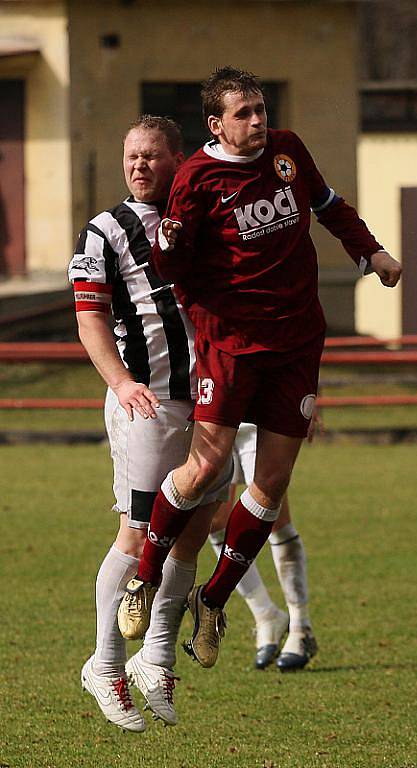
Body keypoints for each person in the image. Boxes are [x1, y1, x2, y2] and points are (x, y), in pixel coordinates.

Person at [117, 67, 402, 670]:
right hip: (231, 344)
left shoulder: (288, 151)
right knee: (205, 468)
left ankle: (214, 601)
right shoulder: (196, 178)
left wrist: (370, 250)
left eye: (260, 108)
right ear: (216, 124)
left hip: (297, 342)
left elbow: (327, 205)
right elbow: (173, 266)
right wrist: (184, 272)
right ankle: (144, 577)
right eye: (243, 112)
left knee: (271, 485)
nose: (258, 120)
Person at [69, 115, 231, 732]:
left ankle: (156, 657)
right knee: (137, 537)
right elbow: (89, 320)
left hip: (208, 400)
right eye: (130, 155)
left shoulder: (198, 222)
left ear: (177, 160)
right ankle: (106, 665)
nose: (138, 165)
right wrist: (121, 382)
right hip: (148, 403)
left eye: (151, 156)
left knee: (189, 534)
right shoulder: (104, 231)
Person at [208, 423, 316, 671]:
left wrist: (309, 400)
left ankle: (301, 628)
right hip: (214, 413)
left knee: (274, 516)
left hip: (259, 417)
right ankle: (266, 615)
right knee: (215, 521)